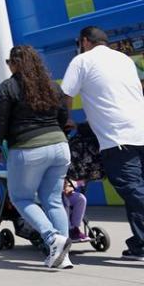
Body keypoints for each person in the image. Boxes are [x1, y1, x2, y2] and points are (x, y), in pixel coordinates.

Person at [62, 26, 144, 261]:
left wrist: (66, 118)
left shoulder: (82, 60)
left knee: (133, 190)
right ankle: (139, 244)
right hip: (141, 130)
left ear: (85, 41)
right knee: (135, 192)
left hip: (117, 138)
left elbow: (66, 93)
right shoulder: (124, 59)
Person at [0, 45, 72, 269]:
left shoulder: (8, 87)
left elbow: (0, 121)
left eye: (9, 62)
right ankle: (63, 256)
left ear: (15, 63)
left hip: (28, 148)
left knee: (21, 198)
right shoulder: (52, 87)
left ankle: (52, 238)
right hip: (60, 146)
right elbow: (64, 115)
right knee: (53, 200)